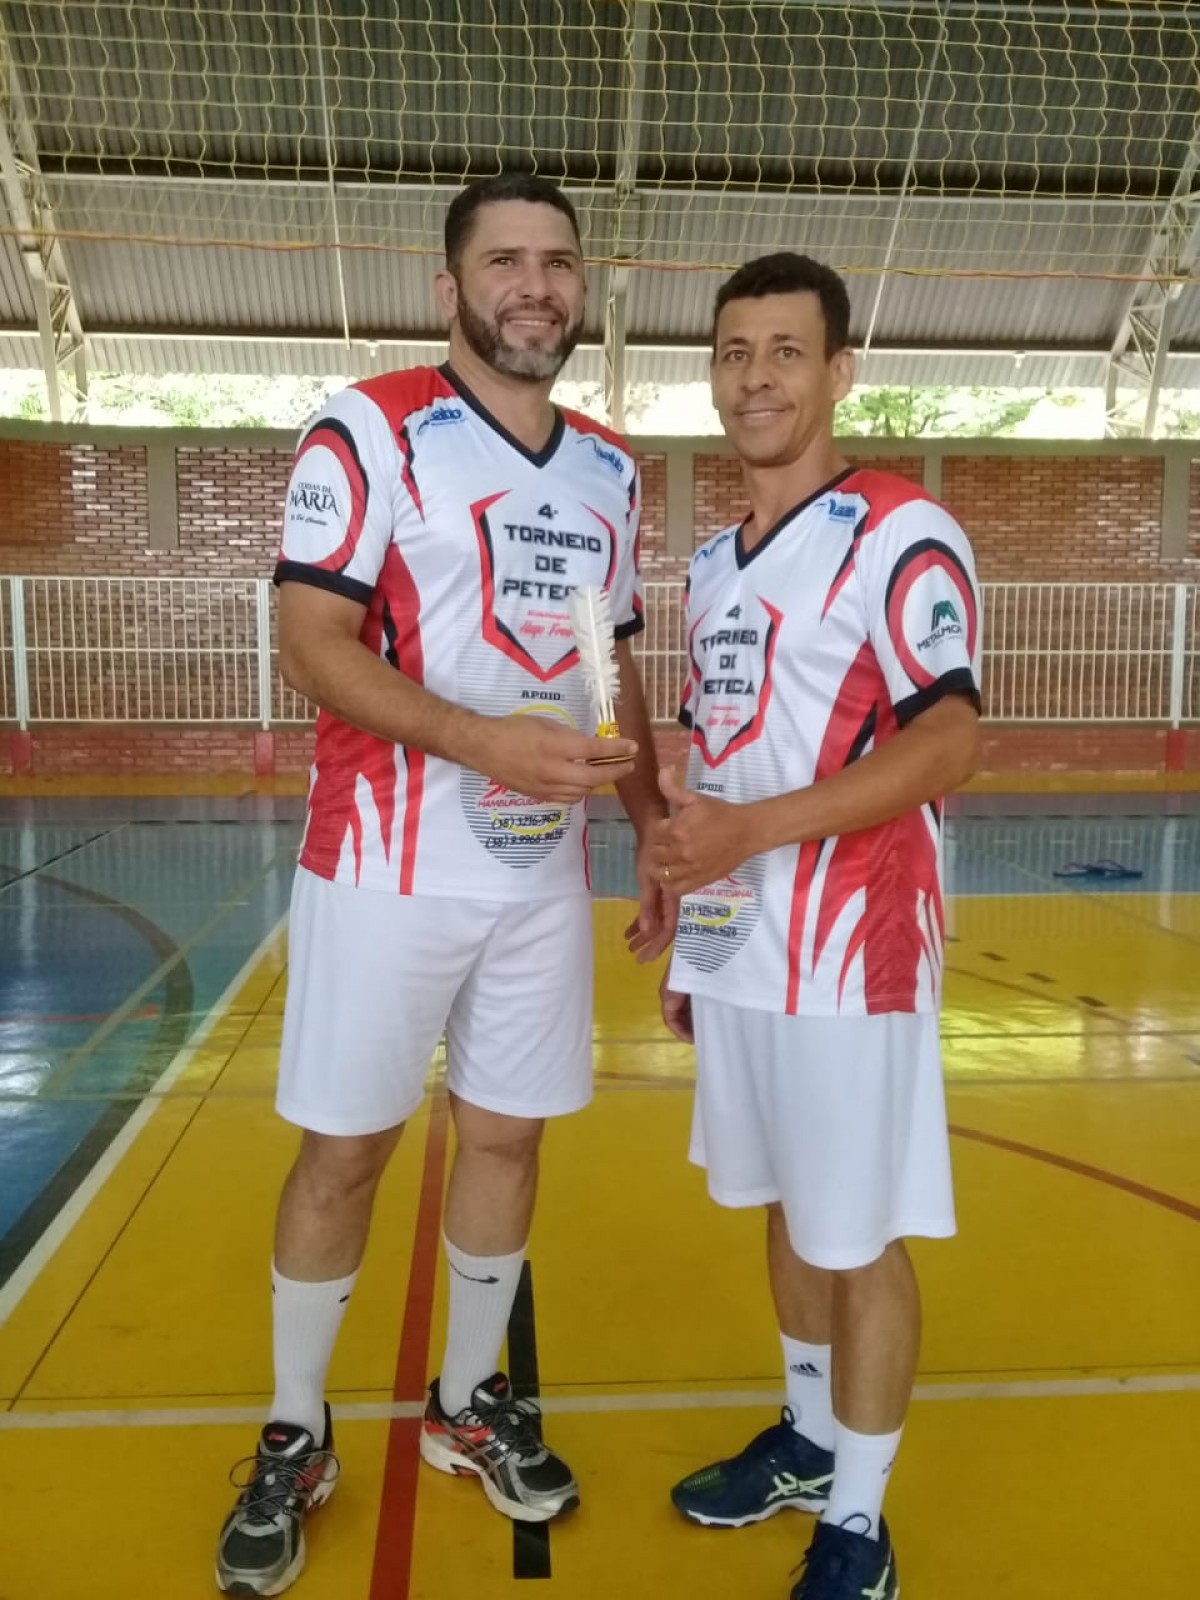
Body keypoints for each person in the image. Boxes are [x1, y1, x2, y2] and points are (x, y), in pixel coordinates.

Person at [215, 172, 667, 1597]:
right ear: (450, 287)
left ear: (583, 288)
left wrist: (652, 825)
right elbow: (310, 643)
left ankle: (467, 1403)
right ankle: (294, 1430)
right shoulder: (369, 427)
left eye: (559, 262)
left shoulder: (611, 471)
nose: (536, 285)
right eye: (505, 261)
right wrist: (481, 740)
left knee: (508, 1143)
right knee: (346, 1152)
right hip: (384, 864)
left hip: (541, 877)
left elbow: (613, 664)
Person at [645, 252, 981, 1600]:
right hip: (742, 944)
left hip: (855, 947)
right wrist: (689, 906)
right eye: (734, 353)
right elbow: (720, 756)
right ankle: (806, 1434)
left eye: (786, 351)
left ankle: (862, 1522)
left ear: (840, 371)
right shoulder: (710, 566)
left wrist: (750, 834)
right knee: (784, 1206)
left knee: (858, 1234)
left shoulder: (901, 531)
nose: (757, 378)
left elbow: (948, 744)